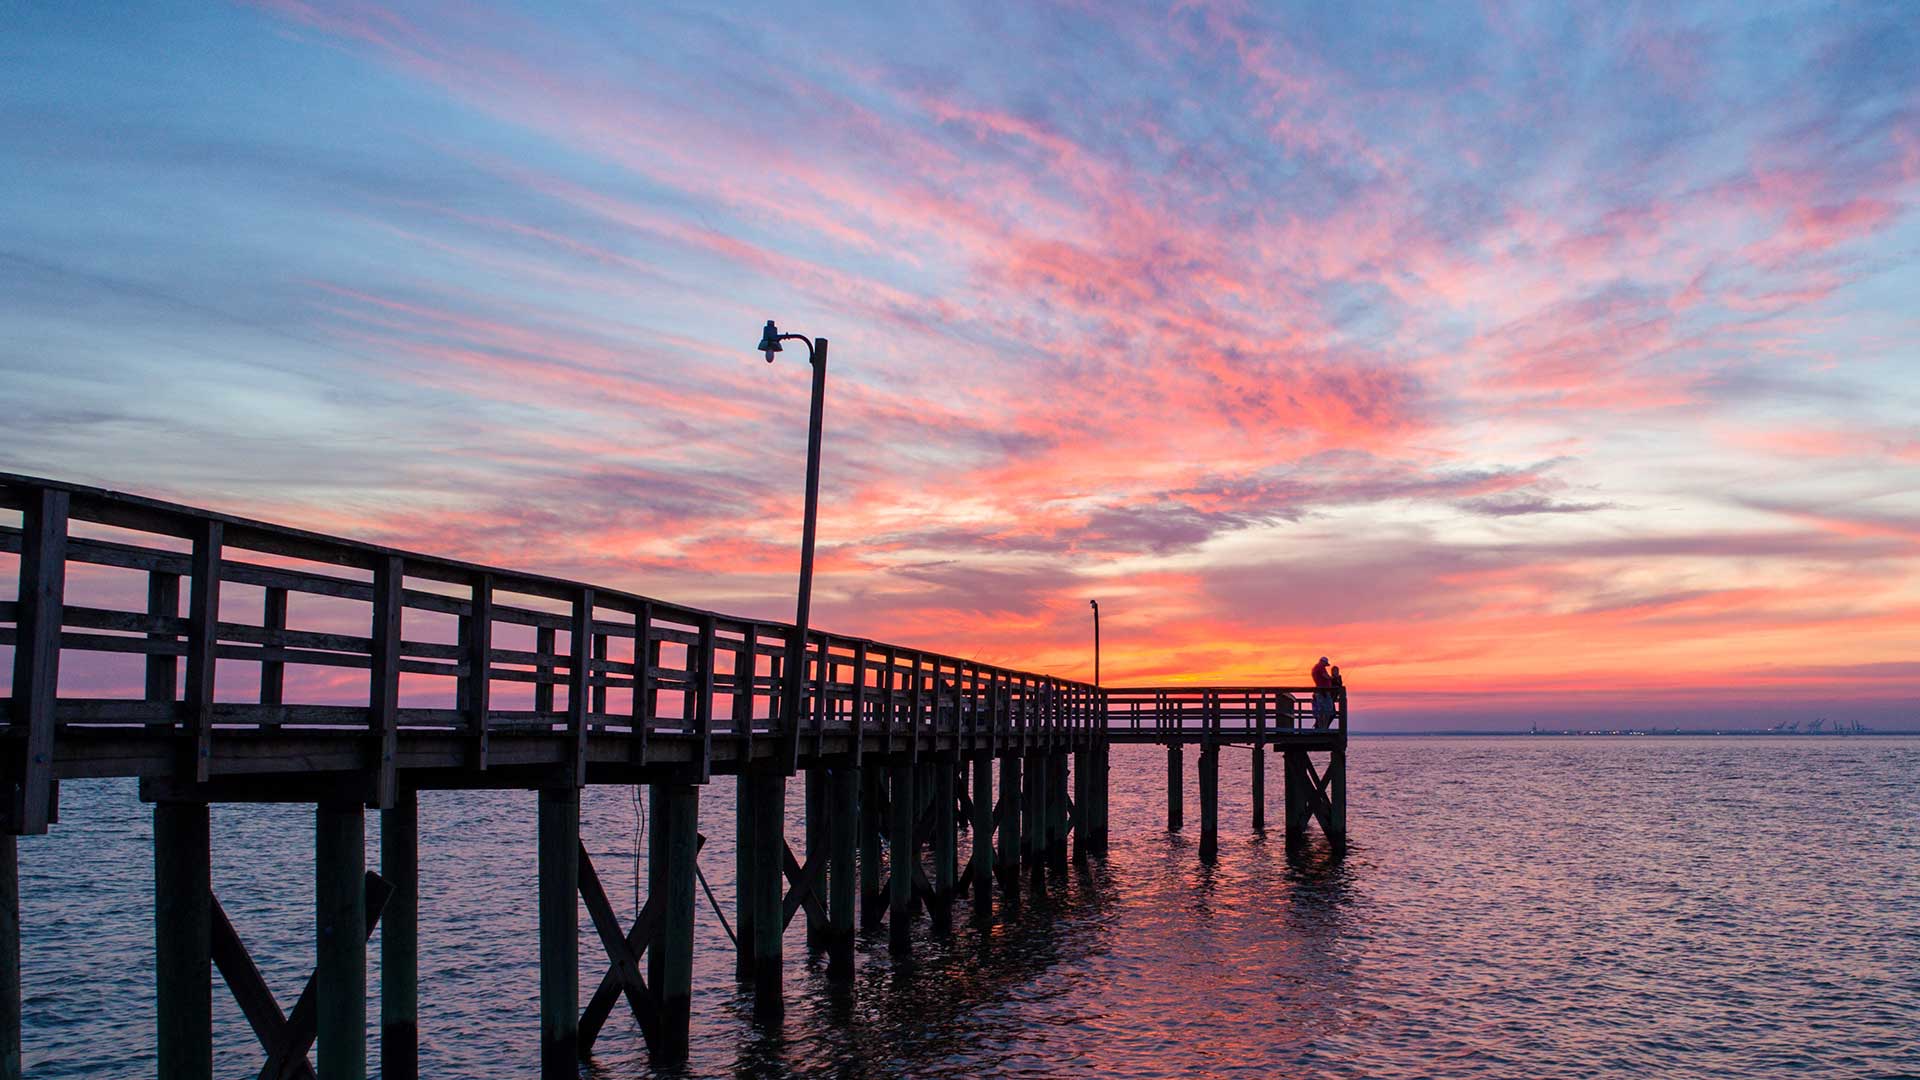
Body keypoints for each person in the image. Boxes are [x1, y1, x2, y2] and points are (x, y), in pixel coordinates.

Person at [1311, 656, 1333, 729]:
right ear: (1322, 662)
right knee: (1327, 709)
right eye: (1325, 663)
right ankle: (1323, 727)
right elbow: (1326, 676)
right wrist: (1332, 678)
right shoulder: (1320, 667)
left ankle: (1321, 727)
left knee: (1322, 710)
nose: (1325, 665)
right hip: (1323, 692)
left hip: (1320, 691)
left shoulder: (1315, 668)